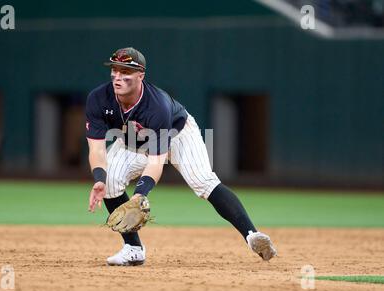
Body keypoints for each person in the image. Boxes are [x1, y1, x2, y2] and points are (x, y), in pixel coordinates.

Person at [86, 47, 277, 266]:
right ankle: (133, 249)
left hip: (178, 135)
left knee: (203, 181)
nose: (118, 77)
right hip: (132, 142)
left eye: (125, 71)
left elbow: (156, 161)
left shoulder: (157, 105)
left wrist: (140, 194)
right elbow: (97, 149)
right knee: (109, 180)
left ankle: (252, 235)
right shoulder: (99, 98)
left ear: (141, 75)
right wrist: (99, 178)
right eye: (115, 70)